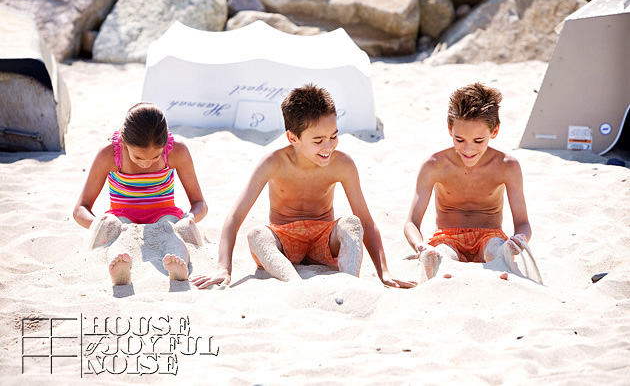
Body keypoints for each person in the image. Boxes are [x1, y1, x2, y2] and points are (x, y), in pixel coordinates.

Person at [190, 84, 416, 289]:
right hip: (284, 240)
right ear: (292, 138)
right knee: (257, 234)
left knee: (352, 224)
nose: (328, 146)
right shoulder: (273, 163)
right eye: (318, 141)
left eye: (334, 136)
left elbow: (365, 221)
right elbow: (234, 218)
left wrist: (383, 271)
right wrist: (223, 268)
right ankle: (296, 286)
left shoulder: (342, 164)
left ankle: (350, 286)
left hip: (324, 240)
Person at [404, 82, 532, 280]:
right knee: (441, 257)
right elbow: (411, 222)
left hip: (491, 235)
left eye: (478, 141)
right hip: (446, 237)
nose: (468, 149)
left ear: (495, 131)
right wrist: (420, 246)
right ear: (450, 130)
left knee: (497, 251)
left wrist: (519, 240)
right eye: (459, 139)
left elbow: (523, 223)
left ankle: (503, 265)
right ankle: (436, 268)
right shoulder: (434, 165)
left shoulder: (507, 165)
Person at [73, 103, 208, 285]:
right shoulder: (109, 154)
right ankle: (120, 271)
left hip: (164, 214)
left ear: (165, 143)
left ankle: (178, 266)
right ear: (123, 141)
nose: (146, 164)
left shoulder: (176, 151)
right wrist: (102, 226)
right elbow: (80, 209)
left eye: (155, 157)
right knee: (117, 233)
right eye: (138, 157)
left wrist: (189, 217)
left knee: (170, 229)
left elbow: (200, 203)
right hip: (123, 218)